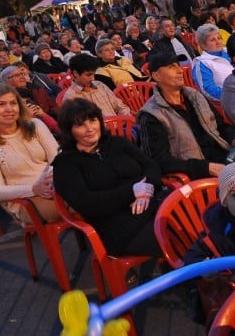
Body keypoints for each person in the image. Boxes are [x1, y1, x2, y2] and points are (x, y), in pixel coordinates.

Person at [52, 99, 163, 256]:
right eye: (80, 125)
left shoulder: (118, 143)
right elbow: (86, 203)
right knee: (176, 238)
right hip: (118, 227)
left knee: (196, 224)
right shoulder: (65, 164)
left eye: (92, 120)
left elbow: (151, 165)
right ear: (69, 131)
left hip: (153, 203)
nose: (89, 128)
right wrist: (131, 192)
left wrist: (146, 190)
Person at [138, 51, 235, 179]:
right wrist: (205, 167)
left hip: (226, 158)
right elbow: (159, 161)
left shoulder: (195, 96)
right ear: (156, 76)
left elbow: (220, 126)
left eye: (178, 65)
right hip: (197, 175)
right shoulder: (151, 115)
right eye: (171, 67)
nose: (179, 70)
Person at [0, 83, 60, 225]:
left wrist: (50, 180)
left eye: (13, 103)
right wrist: (33, 189)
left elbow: (56, 159)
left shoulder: (35, 125)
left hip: (54, 186)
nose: (9, 109)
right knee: (82, 204)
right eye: (1, 104)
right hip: (23, 200)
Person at [60, 54, 130, 117]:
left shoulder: (100, 85)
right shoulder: (71, 98)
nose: (92, 78)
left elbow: (120, 107)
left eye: (93, 74)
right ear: (76, 73)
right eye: (88, 75)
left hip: (120, 125)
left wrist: (125, 118)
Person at [191, 23, 233, 101]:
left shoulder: (228, 52)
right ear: (203, 45)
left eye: (219, 38)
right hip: (229, 101)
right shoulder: (202, 63)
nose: (218, 42)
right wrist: (234, 95)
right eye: (213, 40)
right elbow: (208, 90)